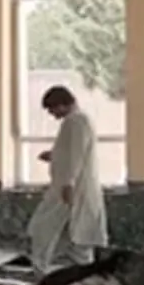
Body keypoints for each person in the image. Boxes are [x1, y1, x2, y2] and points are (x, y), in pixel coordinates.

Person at [27, 85, 108, 274]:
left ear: (61, 104)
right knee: (77, 235)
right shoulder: (78, 120)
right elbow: (73, 152)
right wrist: (54, 155)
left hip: (69, 188)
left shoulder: (76, 121)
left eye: (52, 109)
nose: (52, 114)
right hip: (71, 187)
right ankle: (83, 274)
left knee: (45, 228)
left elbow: (77, 154)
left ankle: (41, 268)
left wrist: (69, 183)